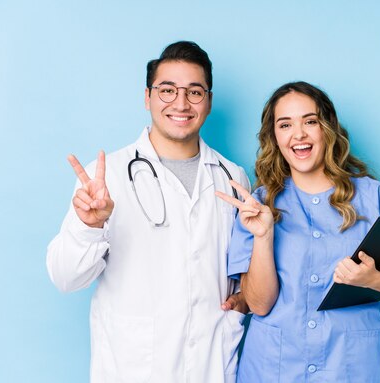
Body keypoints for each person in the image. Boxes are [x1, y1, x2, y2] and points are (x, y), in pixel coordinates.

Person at [47, 41, 250, 383]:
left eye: (195, 92)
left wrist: (244, 298)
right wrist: (88, 227)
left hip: (212, 368)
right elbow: (65, 278)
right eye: (167, 90)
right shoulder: (107, 175)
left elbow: (237, 268)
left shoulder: (232, 176)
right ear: (148, 97)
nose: (181, 103)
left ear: (209, 101)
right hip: (133, 369)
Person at [217, 81, 380, 382]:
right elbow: (259, 303)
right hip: (275, 369)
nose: (299, 134)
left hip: (350, 369)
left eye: (310, 121)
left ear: (328, 128)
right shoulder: (259, 204)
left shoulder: (374, 197)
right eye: (285, 125)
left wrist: (375, 279)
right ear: (275, 137)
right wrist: (264, 236)